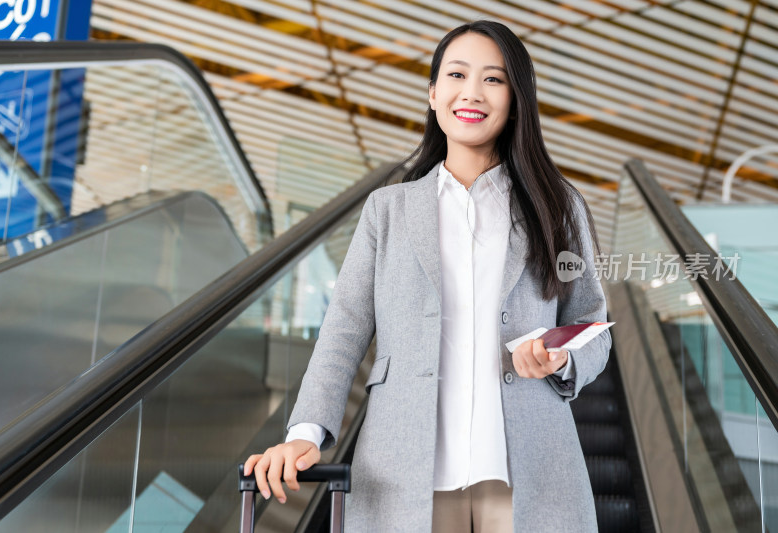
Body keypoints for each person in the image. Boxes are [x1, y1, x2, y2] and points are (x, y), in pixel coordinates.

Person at [244, 20, 611, 532]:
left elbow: (592, 322)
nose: (472, 93)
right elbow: (344, 329)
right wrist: (306, 432)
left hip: (529, 470)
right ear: (434, 94)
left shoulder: (558, 206)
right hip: (403, 476)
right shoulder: (388, 210)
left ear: (515, 100)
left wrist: (562, 356)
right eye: (457, 74)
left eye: (494, 79)